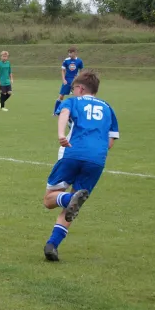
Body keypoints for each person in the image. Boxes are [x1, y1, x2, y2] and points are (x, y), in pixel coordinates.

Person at [42, 69, 119, 262]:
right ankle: (52, 245)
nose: (73, 92)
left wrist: (61, 134)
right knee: (73, 206)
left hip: (73, 153)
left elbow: (64, 112)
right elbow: (110, 141)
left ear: (81, 88)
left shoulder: (74, 101)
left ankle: (69, 198)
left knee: (50, 199)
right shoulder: (108, 108)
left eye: (74, 88)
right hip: (97, 160)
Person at [53, 46, 84, 115]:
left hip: (75, 81)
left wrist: (79, 77)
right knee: (61, 96)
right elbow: (63, 70)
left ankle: (77, 112)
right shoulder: (66, 60)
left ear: (75, 53)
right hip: (67, 80)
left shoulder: (79, 61)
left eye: (71, 53)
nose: (69, 54)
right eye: (69, 53)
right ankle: (56, 111)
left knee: (77, 96)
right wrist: (63, 79)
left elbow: (81, 71)